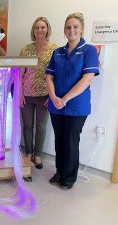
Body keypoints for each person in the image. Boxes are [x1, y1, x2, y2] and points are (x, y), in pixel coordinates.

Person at [46, 12, 99, 190]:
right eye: (68, 27)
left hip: (76, 106)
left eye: (75, 27)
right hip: (56, 105)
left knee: (70, 140)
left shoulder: (89, 50)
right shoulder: (57, 52)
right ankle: (59, 172)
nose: (72, 30)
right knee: (59, 140)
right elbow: (49, 77)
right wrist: (54, 97)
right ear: (64, 30)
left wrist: (65, 98)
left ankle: (69, 177)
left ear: (82, 29)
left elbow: (87, 78)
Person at [19, 17, 58, 169]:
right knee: (28, 125)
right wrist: (20, 94)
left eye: (42, 27)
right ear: (33, 31)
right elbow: (20, 73)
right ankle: (28, 152)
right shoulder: (26, 49)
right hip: (27, 94)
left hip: (45, 95)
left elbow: (57, 75)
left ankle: (38, 155)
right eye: (36, 27)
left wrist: (52, 95)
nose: (39, 30)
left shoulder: (55, 50)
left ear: (47, 29)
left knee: (41, 126)